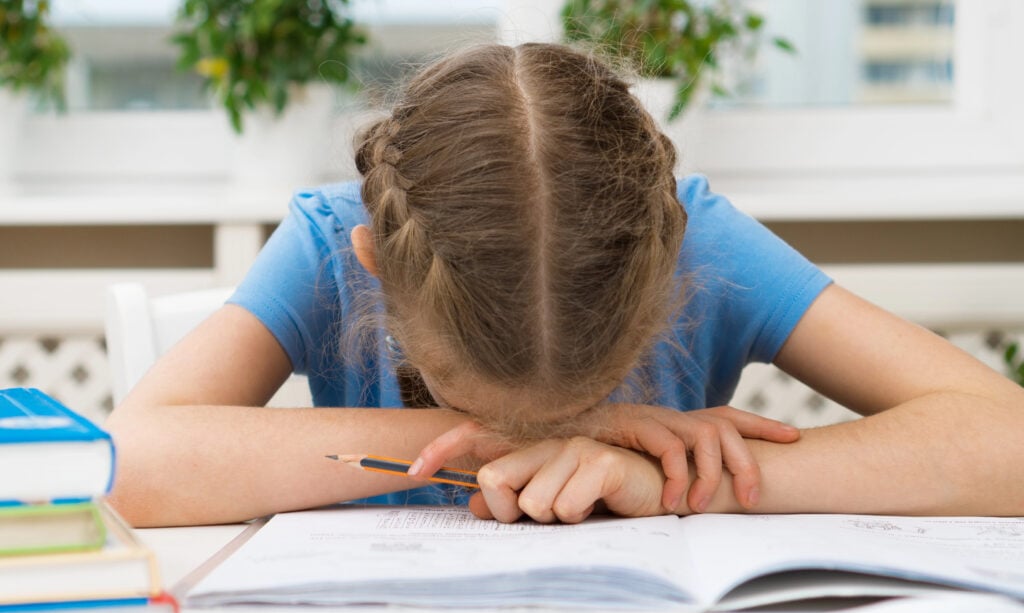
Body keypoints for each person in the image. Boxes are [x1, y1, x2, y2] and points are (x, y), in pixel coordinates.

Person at [106, 43, 1024, 528]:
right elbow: (123, 464)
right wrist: (488, 445)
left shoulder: (699, 238)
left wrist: (672, 481)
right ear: (375, 269)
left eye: (581, 398)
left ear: (669, 275)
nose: (541, 437)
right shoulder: (328, 244)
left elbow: (1006, 440)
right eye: (490, 401)